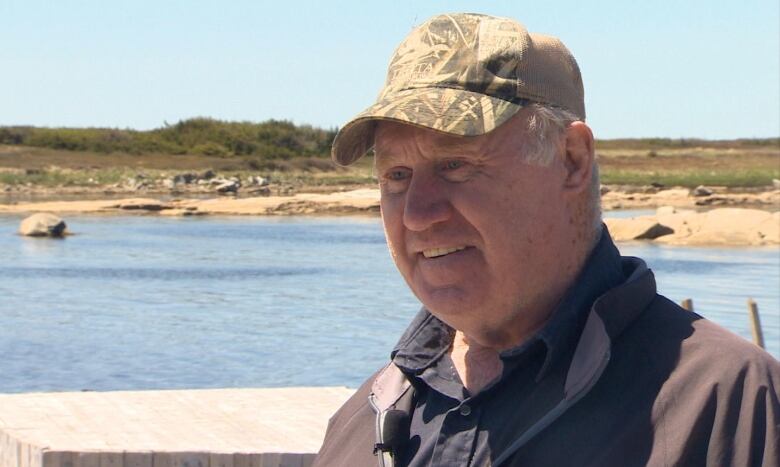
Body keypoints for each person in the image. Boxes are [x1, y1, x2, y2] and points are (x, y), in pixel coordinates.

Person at [312, 13, 779, 467]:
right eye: (396, 175)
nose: (416, 214)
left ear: (572, 160)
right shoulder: (368, 416)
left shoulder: (728, 406)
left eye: (455, 165)